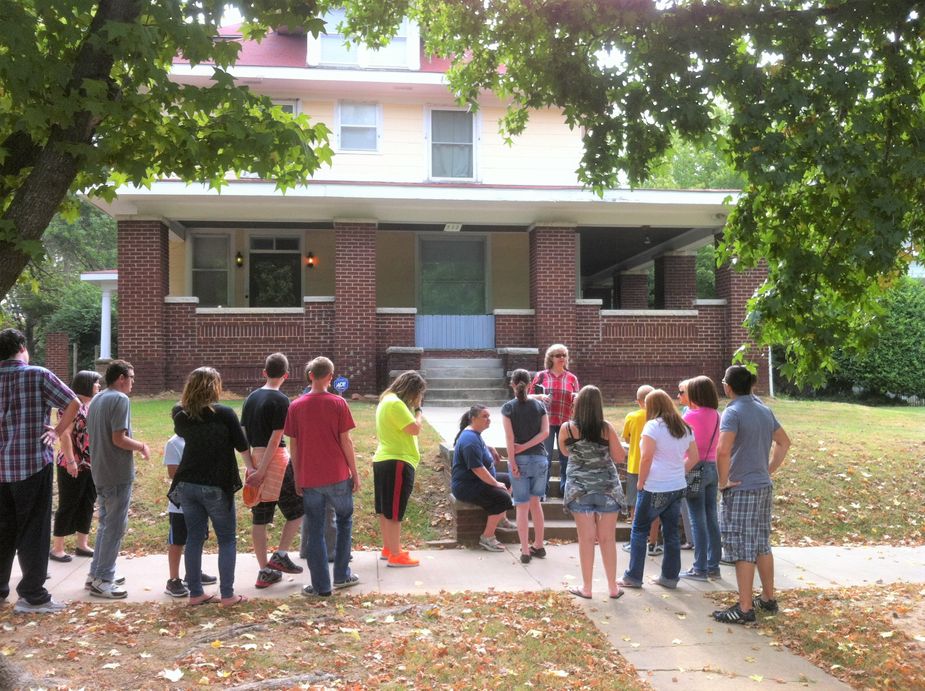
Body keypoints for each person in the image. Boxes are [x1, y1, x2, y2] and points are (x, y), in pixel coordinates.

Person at [0, 328, 80, 614]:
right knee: (34, 529)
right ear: (22, 346)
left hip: (1, 469)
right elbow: (74, 402)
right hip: (32, 463)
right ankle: (32, 595)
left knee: (3, 530)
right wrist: (58, 430)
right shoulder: (37, 374)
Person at [713, 365, 791, 624]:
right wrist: (768, 469)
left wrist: (723, 482)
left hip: (741, 488)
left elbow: (723, 451)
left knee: (742, 548)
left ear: (729, 386)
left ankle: (745, 608)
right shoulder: (763, 409)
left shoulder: (732, 412)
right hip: (762, 487)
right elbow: (784, 442)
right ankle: (768, 599)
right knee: (761, 544)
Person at [170, 367, 252, 607]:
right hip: (216, 484)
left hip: (187, 484)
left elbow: (180, 412)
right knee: (227, 539)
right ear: (213, 387)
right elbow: (242, 445)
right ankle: (228, 595)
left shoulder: (182, 416)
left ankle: (195, 593)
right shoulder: (224, 414)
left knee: (194, 538)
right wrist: (253, 471)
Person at [284, 357, 359, 596]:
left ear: (310, 376)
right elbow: (346, 441)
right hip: (338, 474)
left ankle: (321, 586)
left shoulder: (295, 406)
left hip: (310, 477)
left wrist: (297, 476)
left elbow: (293, 446)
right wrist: (354, 473)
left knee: (315, 529)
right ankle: (341, 574)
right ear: (330, 377)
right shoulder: (338, 403)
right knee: (345, 521)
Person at [618, 389, 698, 590]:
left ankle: (633, 576)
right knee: (670, 533)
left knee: (639, 530)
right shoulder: (685, 427)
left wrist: (640, 482)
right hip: (677, 486)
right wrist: (680, 470)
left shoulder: (652, 427)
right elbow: (695, 457)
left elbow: (646, 458)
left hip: (654, 486)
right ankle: (670, 577)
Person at [86, 360, 150, 599]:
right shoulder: (120, 399)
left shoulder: (98, 399)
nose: (133, 382)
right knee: (115, 526)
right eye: (131, 377)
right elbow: (119, 439)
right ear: (121, 377)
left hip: (100, 471)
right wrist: (142, 446)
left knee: (105, 523)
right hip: (116, 472)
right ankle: (103, 580)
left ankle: (96, 573)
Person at [241, 353, 305, 589]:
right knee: (299, 507)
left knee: (260, 516)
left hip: (254, 460)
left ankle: (264, 571)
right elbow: (276, 437)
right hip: (276, 459)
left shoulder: (251, 398)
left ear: (264, 372)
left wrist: (251, 467)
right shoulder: (281, 400)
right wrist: (264, 468)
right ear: (286, 375)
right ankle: (281, 554)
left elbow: (243, 435)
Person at [559, 385, 627, 599]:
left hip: (579, 490)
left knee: (586, 539)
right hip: (607, 489)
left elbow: (564, 451)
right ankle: (613, 587)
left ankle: (587, 588)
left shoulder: (566, 428)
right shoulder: (605, 428)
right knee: (607, 539)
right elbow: (619, 457)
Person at [373, 370, 426, 568]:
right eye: (418, 393)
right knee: (395, 510)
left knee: (386, 509)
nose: (417, 398)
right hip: (397, 461)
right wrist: (419, 410)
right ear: (412, 390)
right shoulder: (395, 403)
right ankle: (396, 555)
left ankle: (389, 548)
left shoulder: (386, 400)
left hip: (385, 459)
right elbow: (415, 428)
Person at [50, 370, 102, 563]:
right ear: (87, 384)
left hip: (90, 463)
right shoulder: (71, 404)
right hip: (71, 462)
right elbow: (64, 434)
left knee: (87, 501)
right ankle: (57, 548)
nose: (99, 386)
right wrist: (72, 462)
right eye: (96, 383)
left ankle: (82, 544)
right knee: (68, 503)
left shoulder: (92, 405)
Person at [501, 369, 549, 563]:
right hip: (539, 459)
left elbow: (509, 438)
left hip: (519, 460)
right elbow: (545, 433)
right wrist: (529, 446)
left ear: (512, 384)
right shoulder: (539, 406)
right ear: (531, 385)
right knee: (536, 504)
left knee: (521, 507)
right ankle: (539, 545)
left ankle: (525, 551)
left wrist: (513, 459)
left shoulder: (508, 408)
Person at [451, 406, 514, 552]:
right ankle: (487, 537)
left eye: (489, 416)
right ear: (473, 419)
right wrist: (495, 483)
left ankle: (501, 519)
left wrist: (489, 447)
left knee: (509, 480)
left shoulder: (474, 434)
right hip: (467, 486)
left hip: (476, 481)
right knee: (503, 498)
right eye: (484, 416)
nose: (489, 419)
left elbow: (478, 448)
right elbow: (477, 469)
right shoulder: (469, 440)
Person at [679, 375, 723, 582]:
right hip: (712, 467)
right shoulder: (717, 415)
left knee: (697, 519)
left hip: (694, 468)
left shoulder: (690, 417)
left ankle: (700, 567)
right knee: (711, 517)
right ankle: (713, 564)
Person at [162, 434, 217, 597]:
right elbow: (173, 473)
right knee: (177, 541)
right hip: (180, 504)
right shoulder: (173, 443)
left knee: (198, 538)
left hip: (200, 500)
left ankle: (193, 573)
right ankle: (173, 580)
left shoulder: (199, 438)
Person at [529, 344, 579, 497]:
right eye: (558, 355)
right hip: (546, 422)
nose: (562, 358)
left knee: (566, 458)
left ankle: (565, 490)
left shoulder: (572, 378)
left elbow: (578, 398)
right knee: (546, 458)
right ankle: (542, 490)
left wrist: (577, 398)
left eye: (564, 355)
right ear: (550, 358)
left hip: (566, 422)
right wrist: (540, 397)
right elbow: (529, 396)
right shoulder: (542, 376)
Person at [621, 384, 658, 555]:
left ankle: (635, 541)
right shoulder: (659, 417)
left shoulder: (632, 416)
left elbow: (627, 439)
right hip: (655, 466)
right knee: (655, 506)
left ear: (638, 401)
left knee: (635, 505)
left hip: (635, 464)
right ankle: (653, 542)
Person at [676, 379, 694, 550]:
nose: (678, 395)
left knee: (690, 505)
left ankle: (693, 539)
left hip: (691, 463)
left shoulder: (691, 415)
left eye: (682, 392)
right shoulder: (684, 411)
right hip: (685, 460)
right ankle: (690, 538)